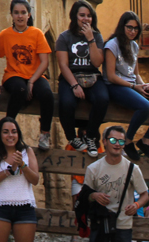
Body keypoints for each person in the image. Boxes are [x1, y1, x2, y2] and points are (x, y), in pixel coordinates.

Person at [104, 12, 149, 162]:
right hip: (115, 86)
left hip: (132, 85)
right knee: (145, 106)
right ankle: (128, 141)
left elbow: (136, 73)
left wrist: (143, 85)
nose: (132, 31)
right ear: (122, 27)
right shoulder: (112, 45)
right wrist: (134, 86)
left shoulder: (134, 46)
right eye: (129, 27)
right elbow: (110, 76)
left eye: (136, 28)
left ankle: (145, 141)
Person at [0, 0, 53, 151]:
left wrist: (32, 81)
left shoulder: (37, 33)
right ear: (11, 15)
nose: (20, 16)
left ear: (29, 15)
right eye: (16, 13)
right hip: (13, 75)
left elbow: (44, 62)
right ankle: (6, 128)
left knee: (47, 94)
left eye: (23, 13)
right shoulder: (5, 35)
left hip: (35, 75)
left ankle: (45, 133)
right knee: (20, 89)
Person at [56, 0, 107, 156]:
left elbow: (97, 62)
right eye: (82, 15)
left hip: (92, 76)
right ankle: (72, 137)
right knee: (66, 102)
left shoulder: (97, 36)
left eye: (89, 16)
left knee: (102, 98)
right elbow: (63, 65)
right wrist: (74, 85)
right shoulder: (64, 37)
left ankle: (90, 137)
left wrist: (90, 39)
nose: (86, 19)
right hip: (70, 76)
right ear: (75, 17)